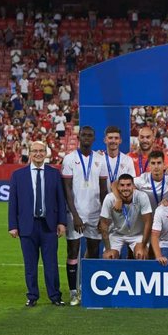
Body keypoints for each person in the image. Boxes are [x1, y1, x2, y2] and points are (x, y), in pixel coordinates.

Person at [8, 141, 67, 307]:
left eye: (41, 151)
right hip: (27, 226)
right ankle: (32, 296)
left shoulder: (54, 173)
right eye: (35, 151)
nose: (38, 154)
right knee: (30, 265)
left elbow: (60, 200)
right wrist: (13, 225)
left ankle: (55, 296)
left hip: (49, 226)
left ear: (46, 153)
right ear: (29, 153)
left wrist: (62, 222)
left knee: (51, 264)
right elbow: (13, 202)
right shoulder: (18, 175)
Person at [61, 126, 108, 306]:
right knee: (73, 250)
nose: (87, 138)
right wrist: (75, 215)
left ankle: (87, 289)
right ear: (78, 137)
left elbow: (104, 190)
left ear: (94, 138)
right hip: (76, 214)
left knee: (93, 250)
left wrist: (103, 217)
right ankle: (73, 291)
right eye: (84, 135)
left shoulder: (100, 159)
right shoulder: (70, 159)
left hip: (95, 213)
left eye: (90, 135)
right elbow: (67, 189)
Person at [98, 174, 152, 260]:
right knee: (108, 257)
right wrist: (108, 249)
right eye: (122, 185)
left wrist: (143, 245)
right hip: (117, 234)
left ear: (133, 186)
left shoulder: (142, 196)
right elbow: (103, 224)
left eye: (128, 185)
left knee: (141, 255)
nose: (125, 188)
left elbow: (148, 222)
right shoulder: (110, 198)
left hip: (137, 234)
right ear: (118, 187)